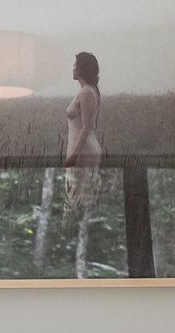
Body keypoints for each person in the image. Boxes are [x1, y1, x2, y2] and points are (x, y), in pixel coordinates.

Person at [64, 52, 102, 214]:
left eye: (75, 65)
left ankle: (77, 233)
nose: (73, 68)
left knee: (77, 201)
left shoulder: (87, 92)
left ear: (82, 68)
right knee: (77, 198)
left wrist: (74, 154)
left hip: (83, 152)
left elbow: (87, 127)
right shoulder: (88, 91)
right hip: (82, 150)